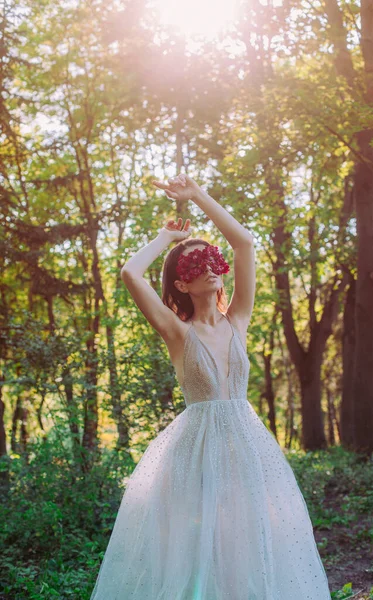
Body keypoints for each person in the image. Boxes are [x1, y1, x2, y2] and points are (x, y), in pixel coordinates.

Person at [89, 174, 331, 599]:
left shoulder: (237, 319)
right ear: (181, 284)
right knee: (194, 545)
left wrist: (197, 196)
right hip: (195, 448)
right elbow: (131, 271)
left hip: (246, 444)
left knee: (247, 537)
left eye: (211, 259)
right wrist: (167, 236)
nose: (208, 267)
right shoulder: (176, 331)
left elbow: (244, 244)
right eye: (193, 265)